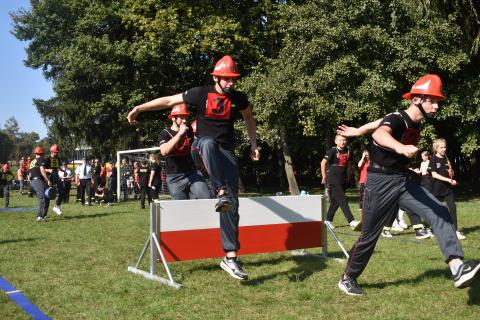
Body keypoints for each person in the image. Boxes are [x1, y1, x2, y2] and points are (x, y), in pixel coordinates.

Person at [336, 74, 480, 295]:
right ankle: (348, 278)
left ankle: (457, 268)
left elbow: (376, 124)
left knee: (439, 211)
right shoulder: (398, 119)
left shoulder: (409, 120)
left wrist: (357, 130)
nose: (436, 106)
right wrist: (399, 147)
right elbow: (381, 132)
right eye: (431, 100)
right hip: (379, 182)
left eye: (438, 101)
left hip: (401, 180)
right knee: (369, 235)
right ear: (416, 100)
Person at [127, 55, 260, 281]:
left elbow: (249, 117)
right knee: (208, 143)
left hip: (226, 154)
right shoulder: (200, 93)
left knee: (232, 206)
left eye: (234, 79)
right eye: (227, 79)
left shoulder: (238, 97)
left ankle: (230, 257)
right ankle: (219, 191)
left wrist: (254, 144)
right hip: (201, 147)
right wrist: (140, 107)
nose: (231, 83)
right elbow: (169, 101)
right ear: (216, 77)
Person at [159, 104, 211, 200]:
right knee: (181, 208)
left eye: (186, 117)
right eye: (181, 117)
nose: (184, 121)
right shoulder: (165, 133)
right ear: (173, 118)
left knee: (205, 198)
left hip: (192, 173)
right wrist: (179, 134)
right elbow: (164, 151)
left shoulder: (189, 130)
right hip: (174, 178)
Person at [320, 135, 361, 230]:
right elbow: (323, 163)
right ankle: (351, 221)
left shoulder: (348, 150)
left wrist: (348, 176)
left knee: (335, 201)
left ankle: (328, 220)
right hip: (333, 178)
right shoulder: (332, 151)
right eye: (340, 140)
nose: (342, 142)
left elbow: (349, 164)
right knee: (342, 199)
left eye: (344, 140)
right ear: (336, 141)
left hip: (343, 179)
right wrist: (324, 177)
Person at [429, 138, 465, 240]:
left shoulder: (446, 158)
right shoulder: (433, 159)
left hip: (448, 189)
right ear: (436, 148)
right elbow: (434, 175)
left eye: (445, 147)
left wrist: (451, 174)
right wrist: (448, 180)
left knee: (452, 207)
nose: (444, 149)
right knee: (435, 211)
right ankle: (431, 229)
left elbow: (449, 172)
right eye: (441, 147)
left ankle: (455, 231)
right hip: (436, 189)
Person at [29, 146, 52, 221]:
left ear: (35, 153)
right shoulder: (41, 159)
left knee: (44, 198)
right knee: (43, 198)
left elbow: (30, 174)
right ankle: (39, 216)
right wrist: (48, 180)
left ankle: (44, 215)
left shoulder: (32, 161)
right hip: (38, 181)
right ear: (42, 153)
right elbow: (42, 171)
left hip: (32, 182)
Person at [44, 144, 65, 215]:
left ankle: (57, 206)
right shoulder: (46, 159)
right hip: (48, 178)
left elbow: (57, 167)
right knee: (47, 195)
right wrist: (49, 170)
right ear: (52, 152)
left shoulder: (57, 159)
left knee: (62, 191)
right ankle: (44, 214)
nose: (57, 153)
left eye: (57, 152)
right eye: (56, 152)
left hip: (56, 176)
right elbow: (42, 169)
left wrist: (63, 171)